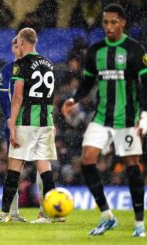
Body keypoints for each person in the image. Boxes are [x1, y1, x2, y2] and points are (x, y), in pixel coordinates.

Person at [62, 4, 147, 237]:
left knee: (132, 166)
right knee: (87, 160)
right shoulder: (95, 51)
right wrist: (74, 100)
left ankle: (139, 224)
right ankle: (107, 215)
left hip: (128, 118)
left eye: (113, 22)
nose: (109, 26)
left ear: (122, 23)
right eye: (105, 22)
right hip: (101, 117)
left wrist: (145, 115)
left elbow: (146, 85)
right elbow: (87, 84)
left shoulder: (134, 49)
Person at [0, 27, 57, 223]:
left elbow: (17, 97)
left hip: (26, 122)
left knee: (14, 168)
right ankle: (49, 214)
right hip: (46, 121)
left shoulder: (20, 64)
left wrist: (12, 125)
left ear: (23, 41)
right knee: (45, 169)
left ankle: (4, 214)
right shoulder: (48, 63)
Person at [0, 36, 46, 223]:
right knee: (14, 168)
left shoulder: (37, 66)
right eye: (15, 45)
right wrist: (11, 120)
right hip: (15, 125)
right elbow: (5, 99)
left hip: (36, 121)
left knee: (41, 166)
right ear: (12, 48)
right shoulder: (7, 70)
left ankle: (45, 210)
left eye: (21, 44)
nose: (19, 48)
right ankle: (13, 212)